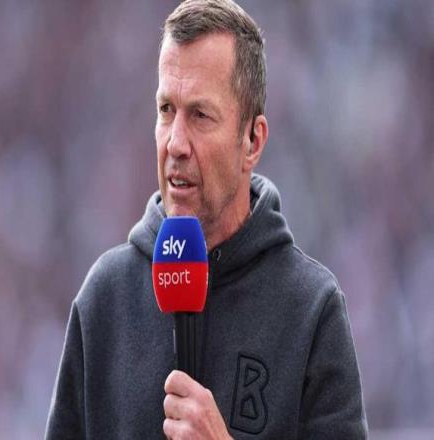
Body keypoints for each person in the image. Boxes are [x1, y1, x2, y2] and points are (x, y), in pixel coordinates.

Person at [45, 0, 368, 438]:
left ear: (252, 141)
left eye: (200, 115)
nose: (175, 143)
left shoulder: (312, 309)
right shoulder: (104, 297)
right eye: (166, 110)